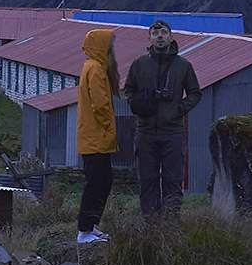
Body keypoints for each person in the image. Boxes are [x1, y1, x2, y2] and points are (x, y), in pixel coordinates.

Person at [123, 20, 202, 219]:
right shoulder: (139, 64)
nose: (160, 36)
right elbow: (128, 90)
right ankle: (150, 225)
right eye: (155, 33)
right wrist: (137, 104)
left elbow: (195, 93)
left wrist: (179, 110)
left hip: (172, 132)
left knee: (172, 180)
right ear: (149, 38)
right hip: (145, 131)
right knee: (147, 180)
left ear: (171, 37)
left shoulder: (183, 66)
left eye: (164, 32)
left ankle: (170, 225)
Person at [75, 27, 118, 246]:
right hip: (96, 138)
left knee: (103, 181)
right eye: (110, 44)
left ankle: (90, 226)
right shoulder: (96, 69)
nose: (113, 48)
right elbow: (100, 104)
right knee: (96, 183)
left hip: (94, 137)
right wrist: (108, 125)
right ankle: (84, 231)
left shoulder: (91, 67)